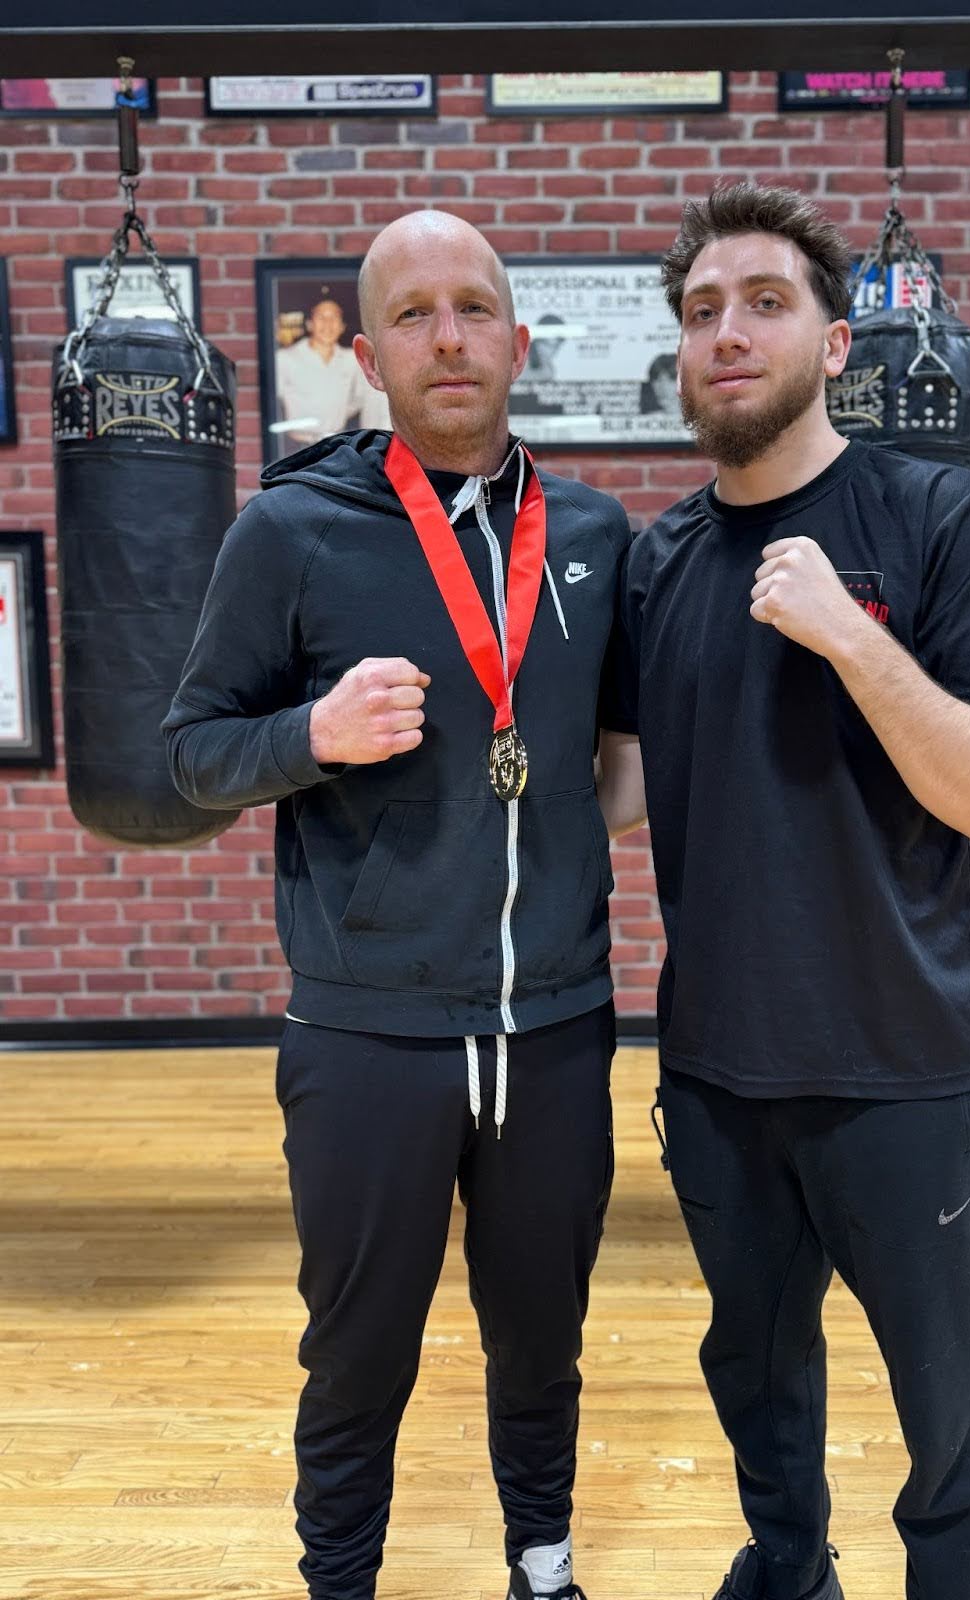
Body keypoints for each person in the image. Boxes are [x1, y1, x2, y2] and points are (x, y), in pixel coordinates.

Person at [164, 209, 642, 1600]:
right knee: (361, 1344)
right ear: (367, 355)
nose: (450, 336)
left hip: (556, 1021)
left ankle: (542, 1564)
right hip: (370, 1029)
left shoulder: (598, 537)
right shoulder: (291, 528)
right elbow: (190, 753)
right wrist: (309, 732)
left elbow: (615, 772)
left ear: (519, 339)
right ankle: (341, 1582)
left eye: (474, 308)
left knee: (542, 1334)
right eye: (415, 315)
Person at [598, 181, 970, 1600]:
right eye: (701, 311)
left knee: (953, 1428)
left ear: (839, 344)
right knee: (757, 1379)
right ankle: (789, 1572)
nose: (727, 333)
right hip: (722, 1076)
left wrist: (852, 642)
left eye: (766, 303)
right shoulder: (658, 563)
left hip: (904, 1075)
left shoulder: (940, 517)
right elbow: (613, 790)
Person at [275, 294, 380, 447]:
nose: (328, 324)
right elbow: (275, 400)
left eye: (334, 318)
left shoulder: (352, 359)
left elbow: (359, 399)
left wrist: (335, 412)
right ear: (310, 324)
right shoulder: (284, 358)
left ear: (342, 327)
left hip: (336, 445)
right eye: (321, 317)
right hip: (295, 446)